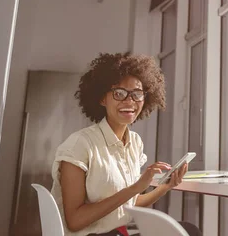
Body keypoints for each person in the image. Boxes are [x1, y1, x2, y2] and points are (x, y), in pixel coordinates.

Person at [50, 53, 201, 236]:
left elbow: (130, 203)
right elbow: (75, 221)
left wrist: (164, 187)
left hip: (120, 233)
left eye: (137, 94)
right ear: (102, 98)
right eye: (119, 93)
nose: (129, 101)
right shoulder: (79, 145)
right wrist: (136, 187)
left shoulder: (135, 142)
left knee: (188, 230)